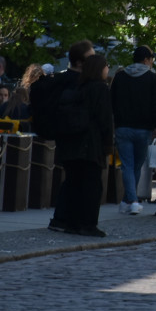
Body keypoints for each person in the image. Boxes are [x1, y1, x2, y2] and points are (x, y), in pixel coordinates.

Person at [55, 54, 113, 237]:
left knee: (74, 184)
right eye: (106, 66)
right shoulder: (100, 89)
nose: (108, 69)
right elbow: (104, 120)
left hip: (72, 143)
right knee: (92, 186)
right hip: (91, 145)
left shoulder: (78, 87)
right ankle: (88, 224)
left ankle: (72, 222)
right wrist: (108, 145)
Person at [48, 39, 96, 233]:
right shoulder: (76, 83)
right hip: (74, 136)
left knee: (73, 178)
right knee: (75, 178)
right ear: (79, 62)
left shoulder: (63, 80)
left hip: (66, 135)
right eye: (90, 58)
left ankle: (64, 218)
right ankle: (64, 218)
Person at [110, 45, 156, 215]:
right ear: (147, 60)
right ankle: (132, 200)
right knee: (136, 166)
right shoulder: (152, 79)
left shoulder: (120, 77)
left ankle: (127, 200)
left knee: (127, 165)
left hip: (123, 126)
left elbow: (112, 101)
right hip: (143, 127)